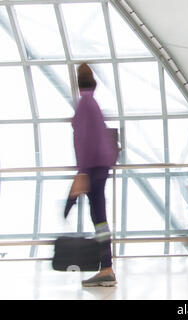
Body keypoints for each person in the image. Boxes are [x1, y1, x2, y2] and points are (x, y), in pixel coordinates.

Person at [71, 63, 118, 287]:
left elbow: (83, 141)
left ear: (78, 82)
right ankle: (106, 267)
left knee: (99, 219)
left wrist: (81, 173)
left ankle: (106, 268)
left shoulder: (84, 105)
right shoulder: (93, 104)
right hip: (101, 167)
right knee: (99, 218)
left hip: (92, 169)